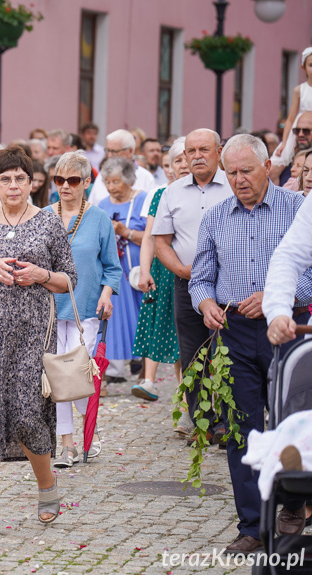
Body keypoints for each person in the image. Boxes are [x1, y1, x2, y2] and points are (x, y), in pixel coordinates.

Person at [190, 133, 312, 555]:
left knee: (289, 421)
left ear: (267, 168)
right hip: (233, 331)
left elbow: (309, 273)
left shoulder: (297, 208)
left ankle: (294, 503)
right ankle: (252, 526)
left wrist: (281, 298)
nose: (239, 180)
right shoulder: (217, 216)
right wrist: (205, 302)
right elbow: (201, 276)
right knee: (242, 426)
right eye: (232, 173)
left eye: (246, 171)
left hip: (286, 327)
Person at [0, 145, 77, 536]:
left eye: (20, 178)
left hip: (33, 335)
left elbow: (68, 279)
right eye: (5, 179)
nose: (13, 185)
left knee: (27, 414)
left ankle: (47, 486)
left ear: (31, 182)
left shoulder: (49, 223)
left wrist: (41, 274)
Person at [153, 129, 234, 441]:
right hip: (185, 284)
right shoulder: (172, 192)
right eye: (191, 151)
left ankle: (228, 422)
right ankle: (203, 422)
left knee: (227, 353)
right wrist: (182, 270)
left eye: (204, 149)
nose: (197, 156)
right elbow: (161, 243)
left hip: (228, 286)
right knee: (192, 356)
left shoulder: (233, 185)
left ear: (218, 152)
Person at [46, 151, 121, 467]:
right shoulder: (45, 216)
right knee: (58, 377)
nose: (65, 186)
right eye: (59, 179)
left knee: (78, 378)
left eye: (73, 180)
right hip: (50, 309)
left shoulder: (100, 219)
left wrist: (107, 295)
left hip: (87, 308)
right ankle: (68, 445)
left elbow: (112, 268)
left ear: (87, 183)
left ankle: (90, 427)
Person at [134, 139, 186, 425]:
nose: (182, 165)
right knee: (168, 328)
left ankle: (187, 400)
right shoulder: (161, 195)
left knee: (186, 337)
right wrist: (145, 270)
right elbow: (149, 239)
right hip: (163, 271)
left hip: (194, 271)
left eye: (186, 158)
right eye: (176, 160)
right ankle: (182, 398)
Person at [96, 158, 148, 390]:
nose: (111, 187)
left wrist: (125, 231)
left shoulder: (142, 200)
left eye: (116, 181)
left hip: (138, 273)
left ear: (128, 179)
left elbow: (152, 237)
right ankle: (104, 375)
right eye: (107, 182)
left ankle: (145, 375)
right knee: (113, 323)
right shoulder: (102, 205)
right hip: (113, 273)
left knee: (143, 320)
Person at [270, 47, 312, 182]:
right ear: (303, 67)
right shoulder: (299, 89)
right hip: (300, 125)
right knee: (274, 167)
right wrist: (284, 142)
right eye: (311, 65)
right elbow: (290, 119)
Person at [88, 129, 156, 206]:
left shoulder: (146, 178)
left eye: (114, 151)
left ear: (130, 151)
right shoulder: (102, 175)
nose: (109, 155)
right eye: (108, 151)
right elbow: (92, 205)